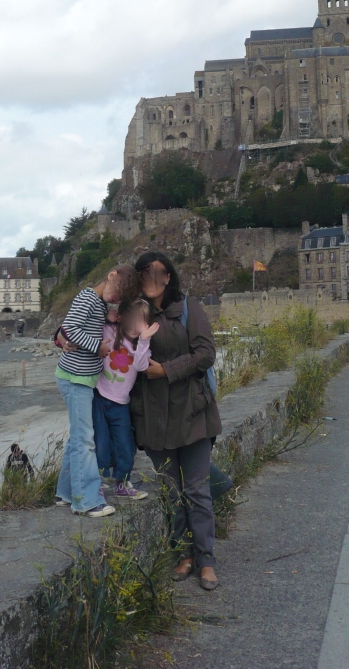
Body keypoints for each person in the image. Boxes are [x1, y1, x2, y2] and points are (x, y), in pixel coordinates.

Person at [131, 251, 221, 591]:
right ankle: (183, 555)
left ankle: (206, 560)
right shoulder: (133, 313)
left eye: (155, 272)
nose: (149, 278)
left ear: (168, 277)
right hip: (153, 419)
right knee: (171, 492)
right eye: (143, 273)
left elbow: (206, 353)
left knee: (197, 490)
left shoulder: (188, 308)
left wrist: (165, 370)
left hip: (192, 413)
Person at [54, 265, 140, 517]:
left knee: (77, 439)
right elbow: (70, 328)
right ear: (110, 274)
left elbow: (83, 324)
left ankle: (66, 492)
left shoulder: (98, 304)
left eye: (119, 298)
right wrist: (97, 347)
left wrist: (108, 318)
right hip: (75, 378)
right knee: (84, 441)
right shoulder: (88, 297)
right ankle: (87, 501)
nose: (115, 299)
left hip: (82, 378)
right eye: (115, 293)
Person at [93, 299, 158, 499]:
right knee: (100, 444)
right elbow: (89, 324)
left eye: (141, 320)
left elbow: (140, 366)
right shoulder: (110, 332)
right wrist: (106, 316)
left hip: (121, 402)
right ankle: (99, 484)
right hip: (100, 395)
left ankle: (122, 482)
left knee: (124, 444)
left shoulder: (142, 346)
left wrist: (145, 339)